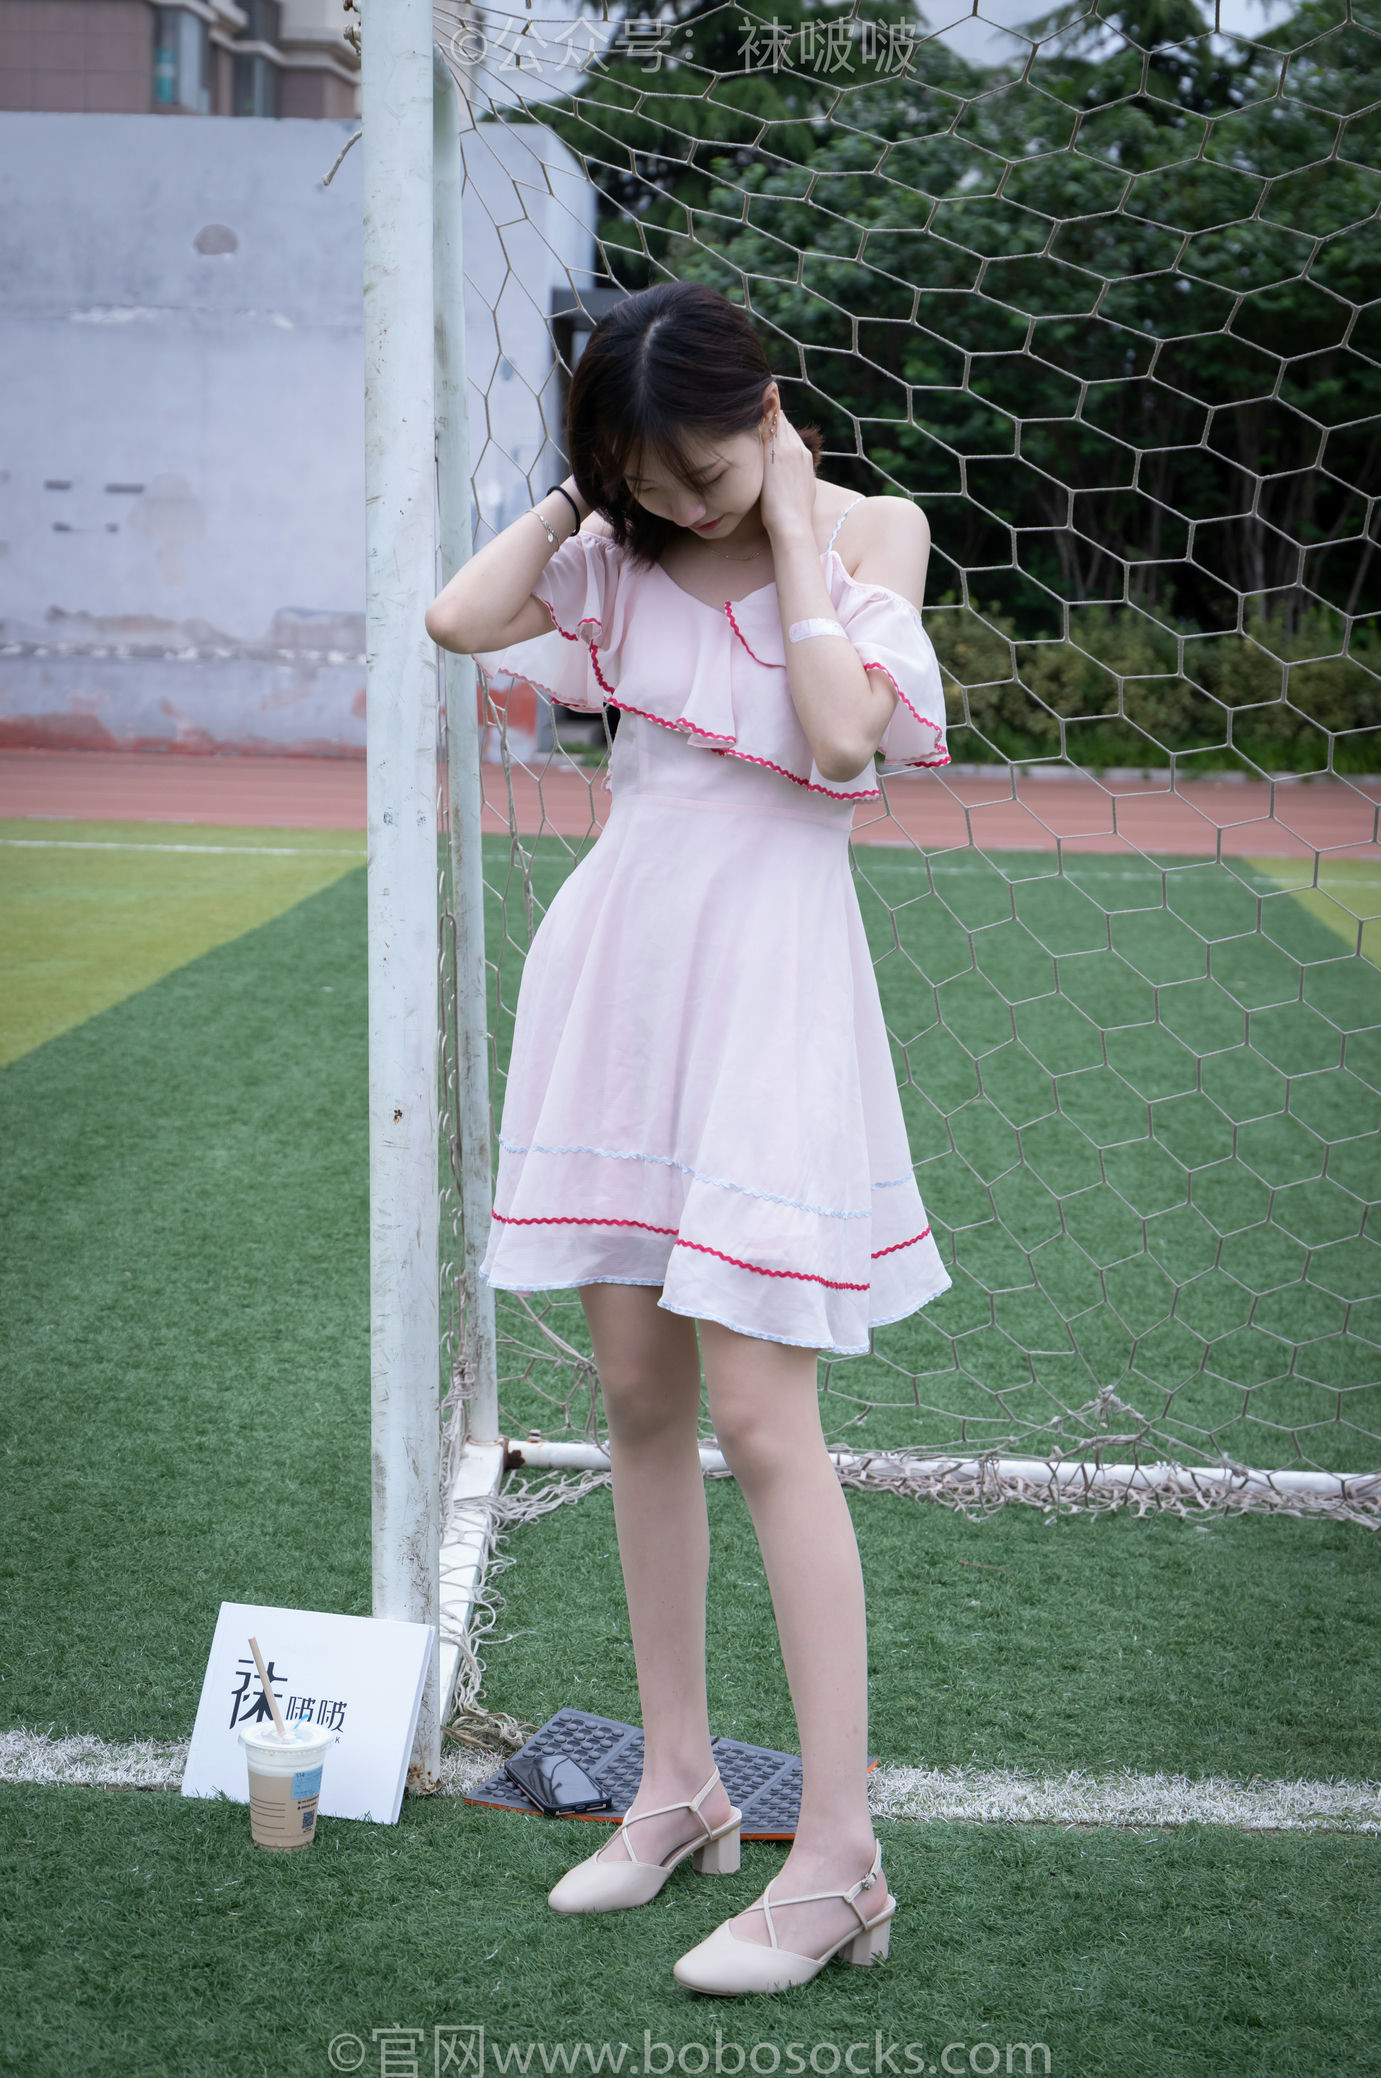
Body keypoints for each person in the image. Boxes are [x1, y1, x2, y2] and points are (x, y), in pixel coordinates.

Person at [425, 280, 951, 1997]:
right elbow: (456, 617)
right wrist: (593, 494)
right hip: (623, 981)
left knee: (765, 1419)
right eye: (646, 483)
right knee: (637, 1400)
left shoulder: (867, 531)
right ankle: (675, 1786)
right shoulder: (614, 546)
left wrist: (787, 523)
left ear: (770, 412)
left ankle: (838, 1857)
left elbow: (844, 732)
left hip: (771, 995)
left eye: (705, 472)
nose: (683, 508)